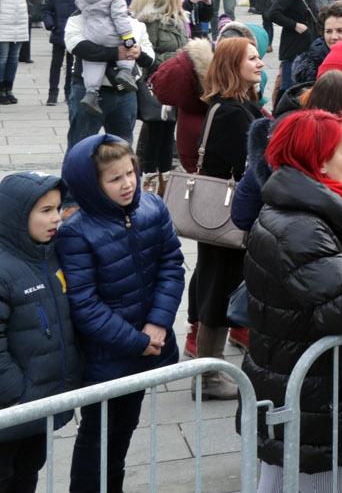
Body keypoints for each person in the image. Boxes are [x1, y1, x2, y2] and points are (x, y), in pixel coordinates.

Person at [242, 109, 342, 492]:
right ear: (319, 162)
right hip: (309, 389)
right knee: (314, 478)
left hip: (299, 379)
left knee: (281, 476)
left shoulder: (301, 210)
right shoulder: (302, 226)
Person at [56, 135, 186, 493]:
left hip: (146, 344)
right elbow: (84, 304)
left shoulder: (152, 208)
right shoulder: (75, 233)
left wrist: (158, 324)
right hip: (108, 356)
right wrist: (137, 341)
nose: (128, 183)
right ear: (92, 185)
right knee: (98, 437)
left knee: (123, 431)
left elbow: (172, 265)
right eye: (115, 179)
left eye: (130, 172)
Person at [192, 38, 268, 399]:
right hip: (227, 217)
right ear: (232, 65)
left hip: (219, 215)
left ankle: (209, 370)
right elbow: (249, 165)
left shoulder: (235, 105)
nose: (260, 63)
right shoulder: (232, 112)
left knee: (216, 285)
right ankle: (207, 376)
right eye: (251, 58)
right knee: (218, 288)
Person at [0, 171, 78, 492]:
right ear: (18, 217)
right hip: (15, 408)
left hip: (40, 403)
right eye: (45, 211)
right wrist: (20, 396)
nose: (56, 219)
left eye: (58, 209)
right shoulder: (6, 270)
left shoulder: (50, 254)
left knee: (28, 472)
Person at [72, 0, 142, 115]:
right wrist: (127, 37)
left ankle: (91, 92)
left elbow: (81, 8)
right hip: (111, 32)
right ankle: (125, 72)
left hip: (92, 32)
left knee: (93, 62)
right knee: (127, 48)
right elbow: (120, 18)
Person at [267, 0, 318, 93]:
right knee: (290, 89)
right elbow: (273, 13)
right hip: (293, 46)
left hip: (308, 44)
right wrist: (294, 25)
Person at [0, 0, 37, 105]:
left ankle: (9, 88)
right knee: (2, 57)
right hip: (2, 18)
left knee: (14, 58)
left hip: (19, 18)